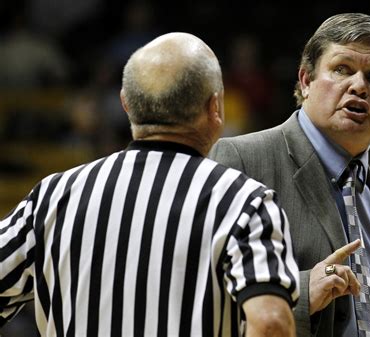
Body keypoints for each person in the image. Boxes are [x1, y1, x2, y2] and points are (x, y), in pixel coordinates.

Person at [0, 32, 304, 337]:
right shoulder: (245, 202)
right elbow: (271, 323)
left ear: (126, 104)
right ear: (216, 107)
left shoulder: (53, 196)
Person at [209, 13, 370, 337]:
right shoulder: (239, 159)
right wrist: (300, 293)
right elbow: (197, 294)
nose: (358, 85)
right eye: (342, 69)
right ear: (306, 80)